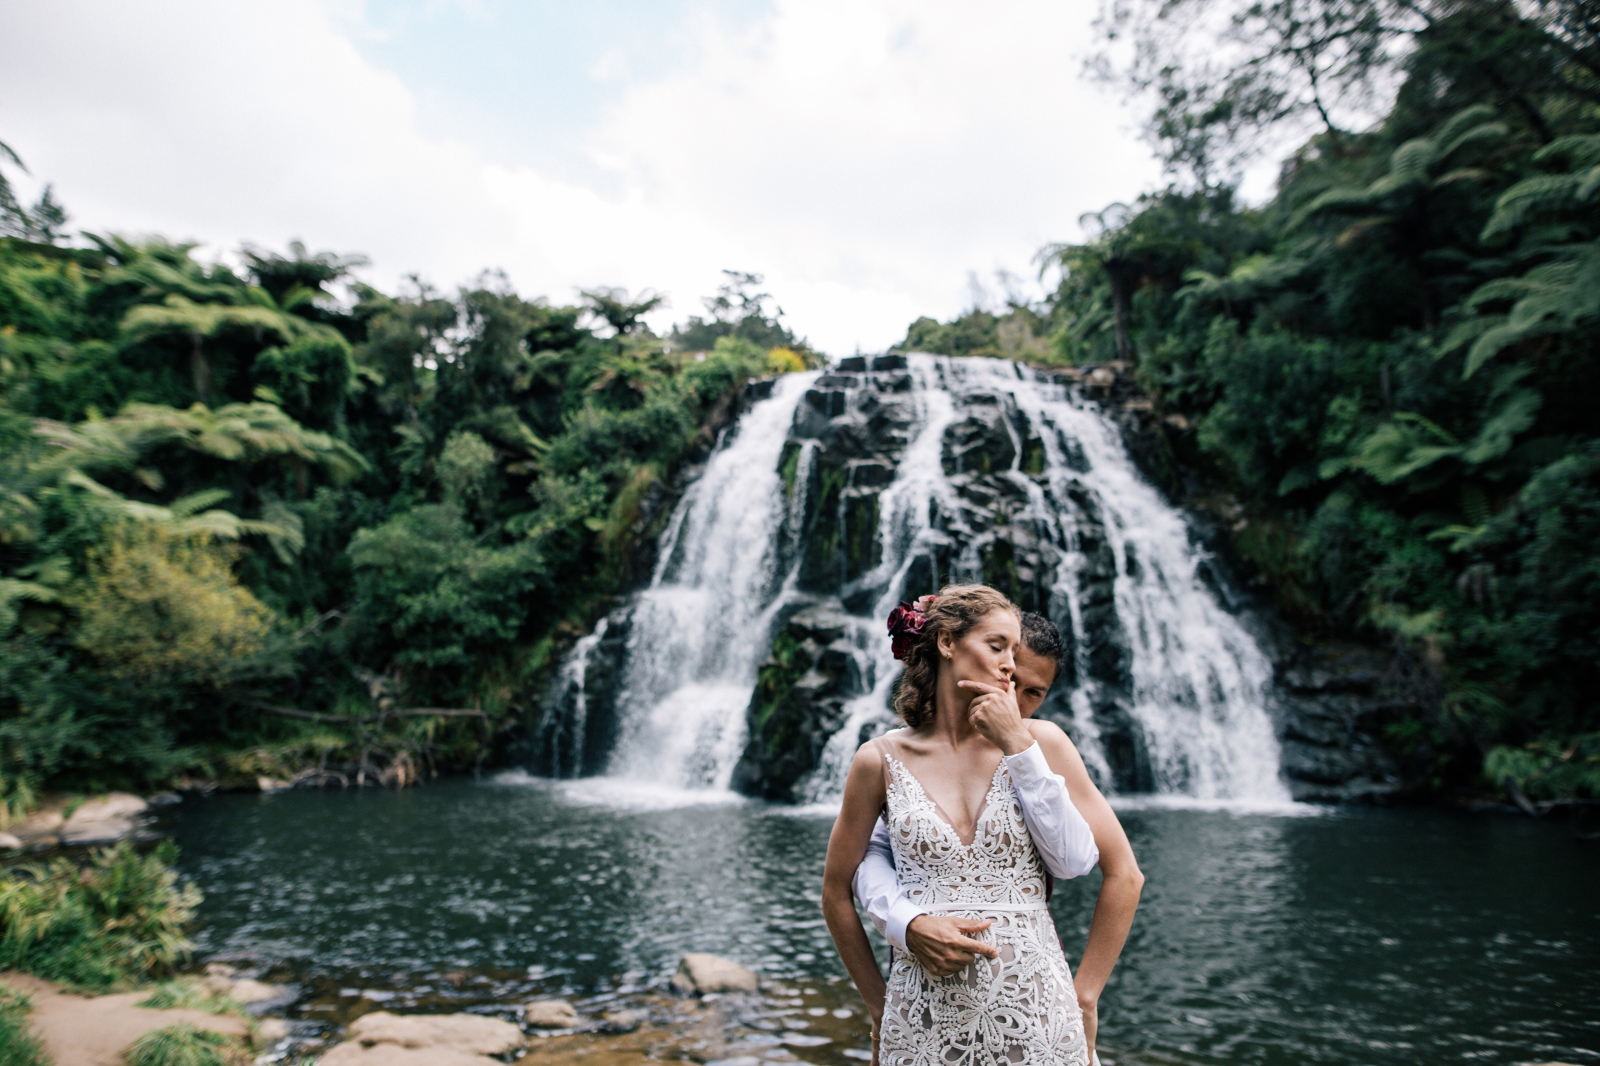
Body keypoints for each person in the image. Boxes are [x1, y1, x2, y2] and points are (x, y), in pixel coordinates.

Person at [821, 587, 1143, 1066]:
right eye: (998, 647)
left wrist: (1085, 996)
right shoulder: (878, 760)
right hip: (920, 1018)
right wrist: (879, 1007)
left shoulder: (1043, 742)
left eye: (1014, 651)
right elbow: (839, 887)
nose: (1010, 666)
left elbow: (1078, 862)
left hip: (1039, 1013)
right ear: (946, 642)